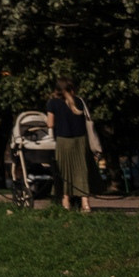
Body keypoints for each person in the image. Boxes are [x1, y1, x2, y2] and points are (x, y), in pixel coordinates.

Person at [49, 78, 94, 212]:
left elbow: (50, 123)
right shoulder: (79, 101)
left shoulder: (53, 103)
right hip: (81, 140)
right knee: (81, 170)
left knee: (64, 171)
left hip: (64, 140)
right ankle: (85, 203)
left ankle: (66, 201)